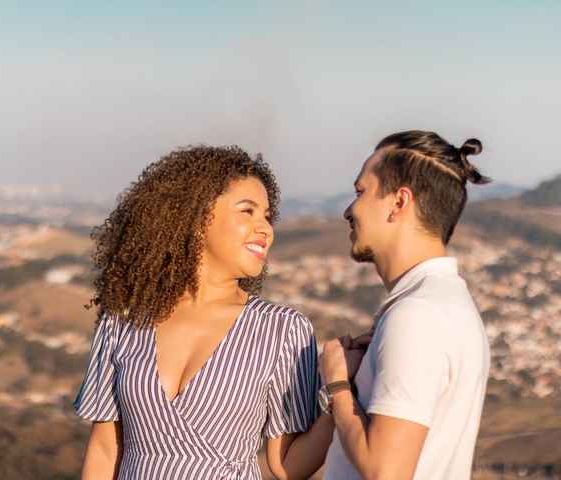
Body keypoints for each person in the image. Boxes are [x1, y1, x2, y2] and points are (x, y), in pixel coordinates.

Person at [73, 145, 334, 479]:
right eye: (248, 211)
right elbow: (105, 449)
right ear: (195, 216)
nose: (266, 228)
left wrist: (340, 397)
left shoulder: (283, 329)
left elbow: (287, 466)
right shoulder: (123, 321)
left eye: (267, 216)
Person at [319, 130, 491, 479]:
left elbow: (387, 471)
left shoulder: (417, 316)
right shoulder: (440, 303)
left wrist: (337, 385)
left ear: (399, 202)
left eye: (360, 192)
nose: (349, 210)